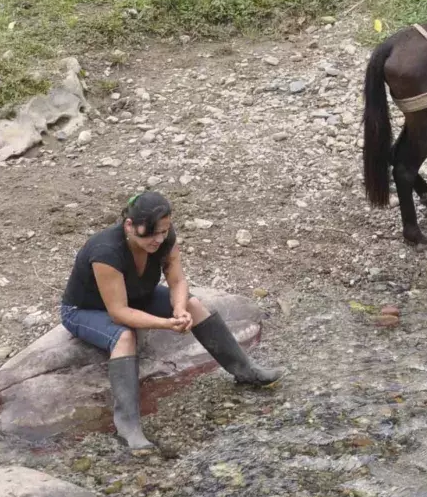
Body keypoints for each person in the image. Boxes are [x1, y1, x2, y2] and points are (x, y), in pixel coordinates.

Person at [59, 191, 279, 451]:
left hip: (138, 297)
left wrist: (178, 309)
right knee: (124, 336)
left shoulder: (164, 238)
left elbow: (177, 281)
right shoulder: (106, 251)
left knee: (193, 304)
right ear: (129, 225)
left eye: (163, 231)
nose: (158, 239)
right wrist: (165, 324)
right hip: (86, 310)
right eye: (151, 233)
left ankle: (246, 371)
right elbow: (118, 313)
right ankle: (128, 426)